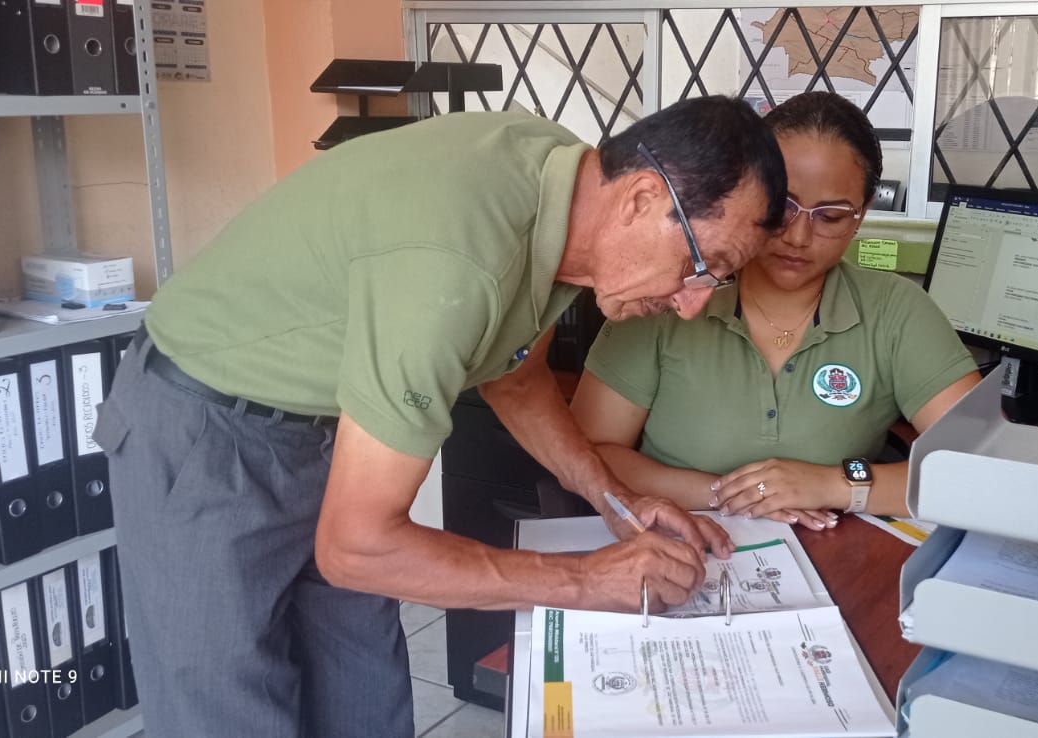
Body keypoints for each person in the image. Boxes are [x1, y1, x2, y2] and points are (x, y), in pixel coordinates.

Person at [95, 97, 788, 738]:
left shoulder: (564, 189)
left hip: (324, 427)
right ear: (642, 198)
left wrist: (617, 501)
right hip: (206, 429)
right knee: (228, 709)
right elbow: (357, 545)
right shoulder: (457, 260)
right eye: (702, 265)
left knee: (364, 694)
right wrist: (586, 581)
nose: (692, 304)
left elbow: (515, 375)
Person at [571, 92, 982, 528]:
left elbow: (981, 468)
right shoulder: (670, 292)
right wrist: (735, 495)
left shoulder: (895, 312)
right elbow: (587, 451)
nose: (799, 237)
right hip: (676, 541)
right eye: (782, 206)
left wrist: (835, 485)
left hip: (838, 554)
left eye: (830, 216)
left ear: (860, 217)